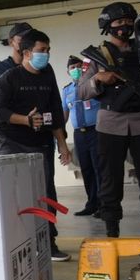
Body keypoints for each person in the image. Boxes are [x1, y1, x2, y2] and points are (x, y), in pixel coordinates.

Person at [0, 29, 71, 261]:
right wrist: (25, 120)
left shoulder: (48, 74)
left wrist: (62, 145)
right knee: (14, 195)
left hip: (41, 143)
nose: (46, 55)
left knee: (46, 192)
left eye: (48, 50)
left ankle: (48, 243)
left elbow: (56, 110)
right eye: (41, 51)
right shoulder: (8, 78)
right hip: (11, 142)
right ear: (26, 53)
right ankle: (15, 243)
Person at [78, 2, 140, 238]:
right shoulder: (98, 56)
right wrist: (98, 79)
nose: (125, 26)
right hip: (110, 123)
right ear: (107, 26)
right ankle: (111, 231)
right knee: (110, 180)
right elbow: (81, 92)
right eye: (119, 22)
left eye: (129, 22)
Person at [0, 22, 33, 154]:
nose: (26, 42)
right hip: (8, 138)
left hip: (36, 136)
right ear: (11, 42)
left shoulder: (39, 69)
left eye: (30, 38)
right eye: (22, 38)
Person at [62, 55, 102, 217]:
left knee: (99, 169)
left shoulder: (94, 84)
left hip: (97, 131)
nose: (76, 70)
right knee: (86, 169)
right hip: (79, 134)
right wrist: (60, 137)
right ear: (68, 72)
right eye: (72, 68)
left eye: (79, 66)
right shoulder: (67, 90)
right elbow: (64, 114)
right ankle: (92, 204)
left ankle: (105, 205)